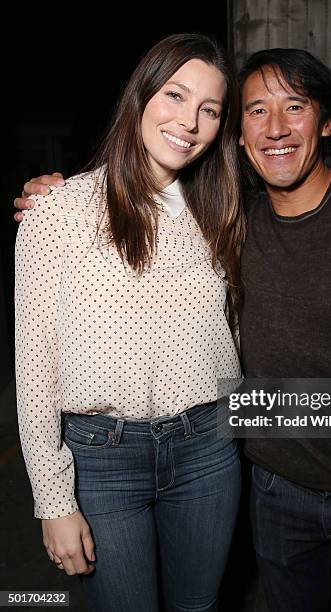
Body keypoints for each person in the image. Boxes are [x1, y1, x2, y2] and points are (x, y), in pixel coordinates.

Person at [15, 47, 331, 612]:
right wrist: (52, 499)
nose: (275, 128)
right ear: (240, 134)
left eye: (295, 106)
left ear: (326, 121)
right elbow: (36, 367)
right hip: (267, 487)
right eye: (255, 110)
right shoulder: (229, 214)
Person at [14, 33, 245, 612]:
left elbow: (234, 335)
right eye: (174, 95)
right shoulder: (56, 214)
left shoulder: (223, 213)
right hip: (102, 459)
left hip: (207, 451)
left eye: (210, 110)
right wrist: (53, 502)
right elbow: (34, 368)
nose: (188, 122)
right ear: (141, 96)